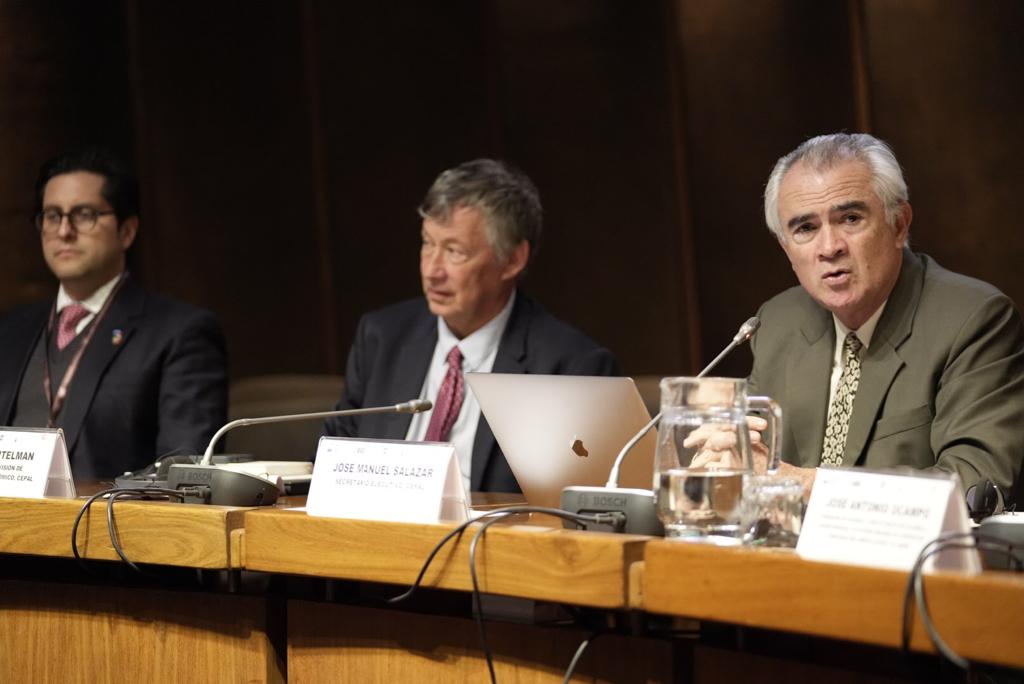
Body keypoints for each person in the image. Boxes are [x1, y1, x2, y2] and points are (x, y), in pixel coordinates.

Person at [746, 132, 1024, 505]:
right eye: (806, 228)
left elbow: (976, 485)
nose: (829, 248)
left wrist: (809, 486)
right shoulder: (777, 323)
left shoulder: (974, 320)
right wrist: (727, 459)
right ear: (786, 248)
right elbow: (755, 465)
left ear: (899, 224)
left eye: (850, 218)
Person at [325, 159, 618, 493]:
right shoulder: (382, 337)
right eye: (427, 243)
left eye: (454, 252)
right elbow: (332, 461)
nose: (432, 270)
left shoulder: (571, 368)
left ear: (512, 260)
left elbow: (579, 512)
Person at [0, 147, 228, 480]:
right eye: (52, 216)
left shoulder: (181, 333)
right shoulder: (10, 331)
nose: (64, 231)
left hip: (106, 528)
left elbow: (185, 474)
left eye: (84, 215)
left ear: (127, 231)